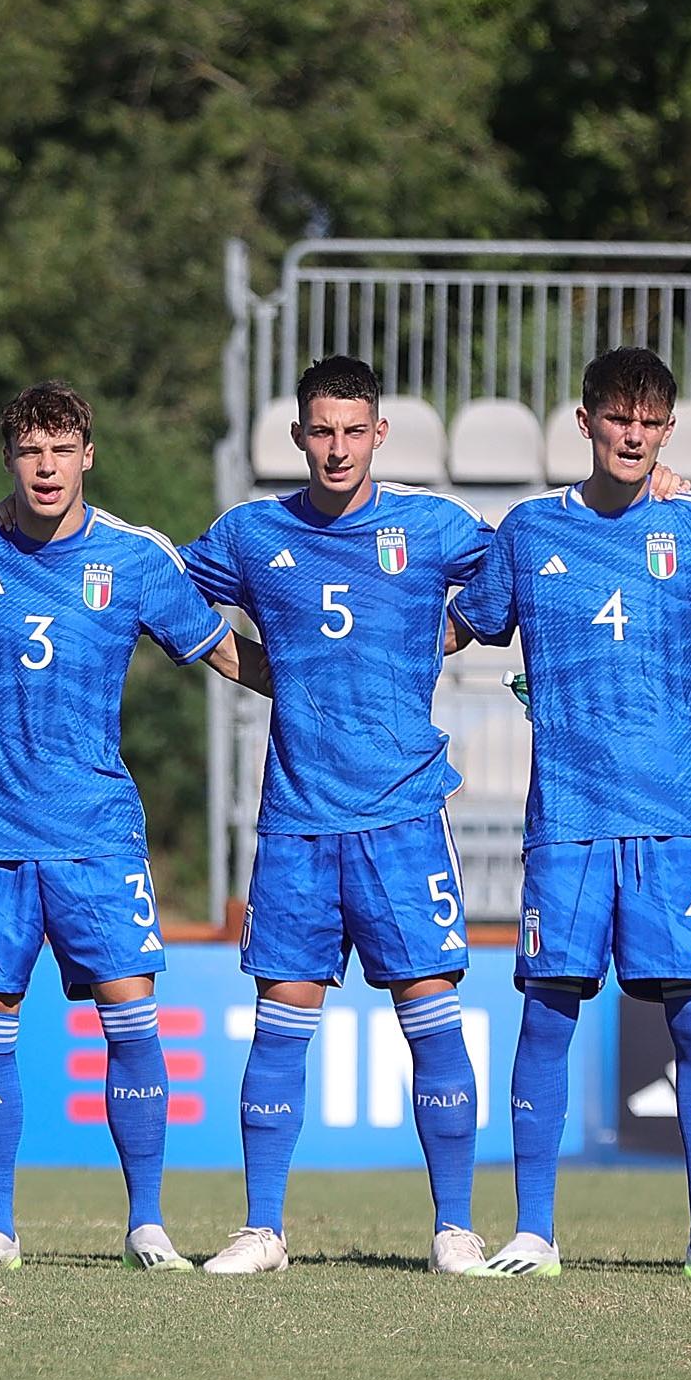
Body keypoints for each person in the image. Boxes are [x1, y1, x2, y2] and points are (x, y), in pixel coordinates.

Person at [448, 349, 691, 1277]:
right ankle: (532, 1231)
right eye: (616, 417)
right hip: (566, 817)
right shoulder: (526, 532)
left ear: (667, 430)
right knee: (547, 1013)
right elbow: (446, 625)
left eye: (649, 420)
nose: (632, 433)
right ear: (585, 421)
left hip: (676, 816)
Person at [0, 381, 259, 1271]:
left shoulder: (133, 557)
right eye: (30, 450)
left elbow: (219, 649)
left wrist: (324, 685)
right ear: (9, 458)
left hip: (96, 835)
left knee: (128, 1016)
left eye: (61, 449)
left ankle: (146, 1222)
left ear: (87, 455)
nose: (46, 466)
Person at [182, 355, 496, 1275]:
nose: (337, 448)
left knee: (428, 1009)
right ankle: (262, 1228)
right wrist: (253, 667)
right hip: (295, 818)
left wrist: (437, 636)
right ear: (297, 437)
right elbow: (168, 597)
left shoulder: (431, 524)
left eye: (353, 430)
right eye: (321, 430)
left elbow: (519, 571)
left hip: (401, 814)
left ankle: (453, 1227)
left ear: (379, 434)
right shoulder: (250, 533)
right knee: (280, 1011)